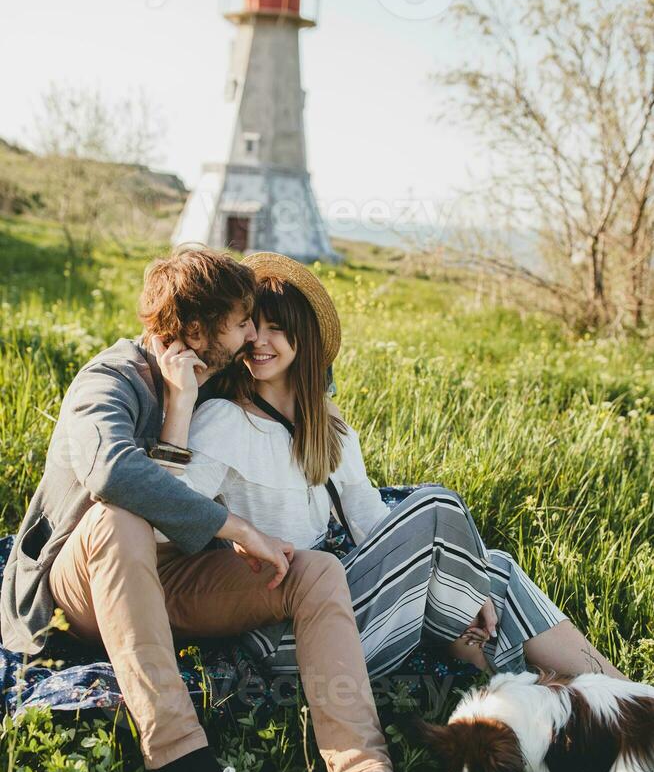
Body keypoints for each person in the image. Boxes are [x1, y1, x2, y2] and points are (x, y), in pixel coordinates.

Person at [0, 247, 457, 772]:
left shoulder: (216, 378)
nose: (253, 335)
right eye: (244, 320)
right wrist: (239, 530)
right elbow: (114, 477)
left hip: (173, 585)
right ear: (200, 324)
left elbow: (301, 398)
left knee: (315, 570)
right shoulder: (109, 379)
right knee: (120, 519)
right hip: (80, 593)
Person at [159, 251, 627, 697]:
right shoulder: (223, 420)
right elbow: (168, 515)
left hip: (343, 601)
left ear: (304, 339)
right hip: (284, 634)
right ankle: (537, 695)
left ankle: (623, 692)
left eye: (276, 329)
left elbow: (367, 517)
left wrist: (469, 575)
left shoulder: (326, 425)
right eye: (252, 328)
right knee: (437, 505)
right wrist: (179, 407)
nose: (259, 341)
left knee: (495, 565)